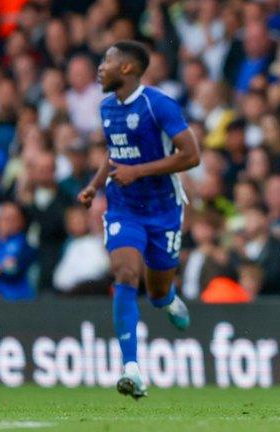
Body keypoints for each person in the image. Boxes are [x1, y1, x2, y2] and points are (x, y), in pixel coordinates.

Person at [77, 40, 200, 399]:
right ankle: (131, 368)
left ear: (127, 68)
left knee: (158, 290)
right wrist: (93, 186)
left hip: (163, 210)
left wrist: (139, 171)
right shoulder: (106, 108)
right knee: (126, 273)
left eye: (107, 61)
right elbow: (114, 154)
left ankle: (167, 300)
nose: (100, 68)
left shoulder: (158, 105)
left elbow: (191, 155)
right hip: (123, 207)